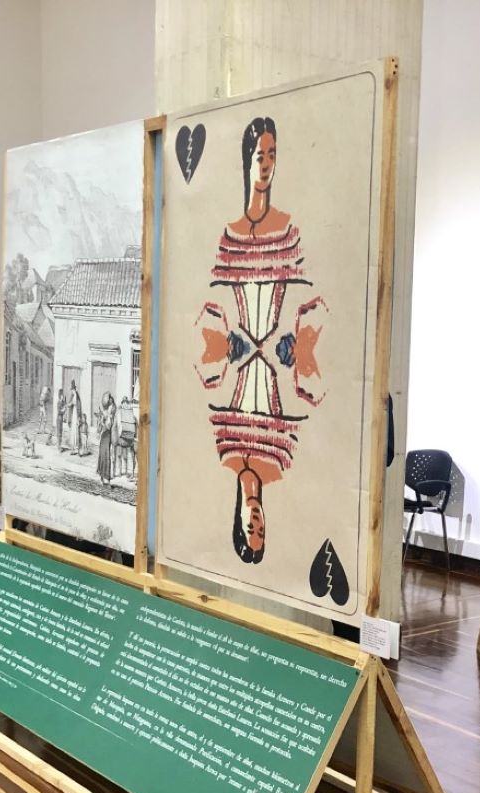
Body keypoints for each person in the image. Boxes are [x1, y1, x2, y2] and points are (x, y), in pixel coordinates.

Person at [196, 116, 328, 562]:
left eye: (273, 154)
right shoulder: (279, 464)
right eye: (259, 155)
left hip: (270, 356)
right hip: (244, 366)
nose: (255, 521)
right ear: (246, 163)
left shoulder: (287, 229)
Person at [95, 391, 117, 484]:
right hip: (104, 435)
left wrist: (104, 420)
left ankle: (106, 477)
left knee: (106, 455)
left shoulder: (111, 415)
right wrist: (102, 419)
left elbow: (108, 426)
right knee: (102, 454)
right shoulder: (107, 412)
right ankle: (102, 475)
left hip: (107, 435)